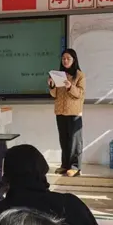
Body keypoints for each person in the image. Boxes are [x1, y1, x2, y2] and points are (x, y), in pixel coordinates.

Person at [49, 49, 86, 177]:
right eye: (63, 58)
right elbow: (54, 95)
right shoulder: (59, 75)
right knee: (64, 140)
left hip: (74, 112)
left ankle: (75, 167)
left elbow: (80, 94)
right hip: (60, 111)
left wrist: (70, 86)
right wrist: (52, 85)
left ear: (74, 60)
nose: (65, 61)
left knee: (75, 141)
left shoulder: (80, 75)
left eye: (68, 58)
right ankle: (65, 165)